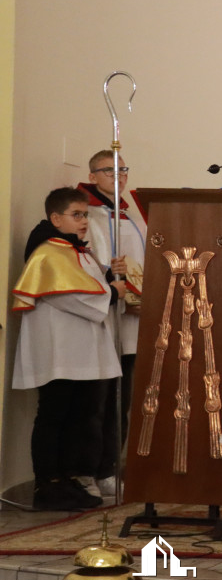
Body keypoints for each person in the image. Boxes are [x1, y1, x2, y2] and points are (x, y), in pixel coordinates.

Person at [11, 187, 126, 510]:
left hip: (80, 351)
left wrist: (107, 276)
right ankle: (47, 484)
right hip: (58, 352)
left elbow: (87, 287)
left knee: (78, 417)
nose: (84, 221)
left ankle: (69, 478)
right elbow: (71, 296)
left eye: (86, 215)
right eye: (77, 215)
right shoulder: (49, 252)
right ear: (55, 218)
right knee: (54, 416)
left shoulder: (75, 251)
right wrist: (113, 293)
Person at [78, 150, 147, 497]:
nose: (118, 176)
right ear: (93, 176)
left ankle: (111, 466)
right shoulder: (86, 213)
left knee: (123, 397)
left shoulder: (130, 215)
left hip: (131, 317)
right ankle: (90, 470)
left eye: (123, 169)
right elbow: (86, 259)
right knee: (98, 398)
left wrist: (140, 296)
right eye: (109, 171)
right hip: (103, 315)